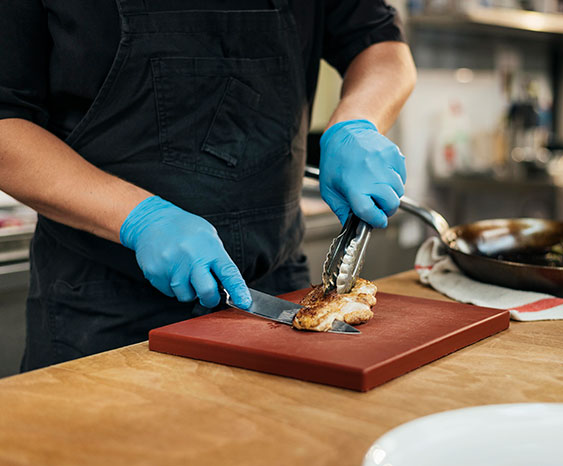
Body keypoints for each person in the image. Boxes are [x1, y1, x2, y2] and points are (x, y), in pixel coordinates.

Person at [0, 1, 416, 371]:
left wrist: (356, 122)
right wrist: (139, 218)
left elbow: (382, 47)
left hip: (278, 290)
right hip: (99, 307)